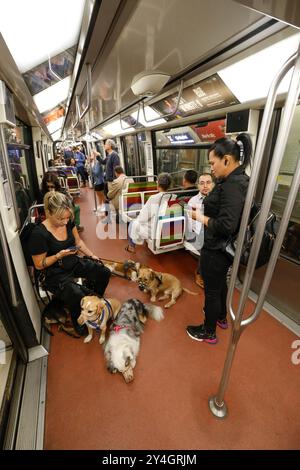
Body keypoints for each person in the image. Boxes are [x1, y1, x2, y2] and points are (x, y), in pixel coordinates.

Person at [186, 133, 252, 345]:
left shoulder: (233, 185)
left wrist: (200, 217)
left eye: (213, 163)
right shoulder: (232, 180)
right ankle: (222, 317)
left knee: (212, 291)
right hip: (219, 248)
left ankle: (208, 331)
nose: (211, 168)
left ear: (227, 160)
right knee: (220, 285)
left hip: (217, 249)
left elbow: (226, 225)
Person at [30, 191, 111, 335]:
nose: (65, 222)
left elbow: (78, 241)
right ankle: (78, 320)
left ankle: (93, 301)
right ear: (49, 213)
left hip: (72, 262)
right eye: (61, 219)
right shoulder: (39, 234)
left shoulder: (68, 222)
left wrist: (93, 256)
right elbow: (39, 264)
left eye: (68, 218)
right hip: (54, 273)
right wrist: (57, 255)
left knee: (103, 272)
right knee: (76, 294)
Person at [127, 173, 172, 252]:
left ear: (158, 184)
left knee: (132, 223)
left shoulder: (154, 198)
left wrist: (138, 217)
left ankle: (131, 247)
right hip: (168, 228)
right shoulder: (173, 196)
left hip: (154, 230)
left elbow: (142, 218)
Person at [185, 173, 214, 288]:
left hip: (211, 231)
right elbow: (193, 225)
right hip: (196, 233)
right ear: (198, 186)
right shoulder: (193, 201)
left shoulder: (216, 199)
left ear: (213, 184)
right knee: (207, 247)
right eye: (202, 183)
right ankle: (199, 273)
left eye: (208, 182)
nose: (205, 186)